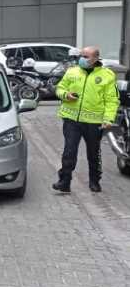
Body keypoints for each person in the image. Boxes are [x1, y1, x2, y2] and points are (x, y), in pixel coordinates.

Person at [53, 46, 118, 194]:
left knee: (93, 153)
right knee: (69, 151)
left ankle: (94, 181)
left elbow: (112, 100)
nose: (81, 59)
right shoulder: (72, 71)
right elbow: (59, 88)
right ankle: (64, 182)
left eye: (86, 56)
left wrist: (108, 119)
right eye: (81, 55)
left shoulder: (107, 75)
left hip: (94, 122)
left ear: (96, 58)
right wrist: (66, 95)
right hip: (71, 119)